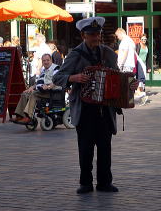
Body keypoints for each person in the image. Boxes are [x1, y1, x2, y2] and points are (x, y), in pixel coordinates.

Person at [53, 17, 138, 194]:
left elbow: (117, 77)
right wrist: (73, 78)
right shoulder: (75, 54)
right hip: (84, 109)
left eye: (98, 34)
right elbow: (57, 77)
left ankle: (104, 182)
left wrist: (128, 85)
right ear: (83, 35)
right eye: (92, 35)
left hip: (105, 109)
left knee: (105, 147)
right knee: (85, 147)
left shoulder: (107, 53)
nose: (96, 38)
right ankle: (85, 183)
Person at [10, 53, 60, 124]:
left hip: (51, 92)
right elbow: (39, 82)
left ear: (51, 60)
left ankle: (29, 117)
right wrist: (32, 87)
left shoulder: (55, 68)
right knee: (25, 93)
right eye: (44, 61)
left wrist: (48, 86)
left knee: (34, 94)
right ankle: (20, 116)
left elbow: (57, 81)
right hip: (42, 91)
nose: (45, 62)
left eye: (47, 60)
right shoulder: (43, 70)